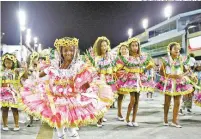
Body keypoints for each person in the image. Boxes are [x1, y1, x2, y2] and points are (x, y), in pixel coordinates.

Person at [19, 37, 114, 138]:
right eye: (65, 50)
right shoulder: (54, 65)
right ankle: (61, 135)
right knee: (59, 125)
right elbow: (40, 75)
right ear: (61, 52)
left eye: (71, 50)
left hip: (72, 99)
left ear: (75, 51)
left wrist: (89, 90)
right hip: (56, 98)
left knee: (72, 130)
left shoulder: (78, 66)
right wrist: (38, 78)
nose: (68, 53)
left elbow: (87, 80)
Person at [155, 42, 195, 128]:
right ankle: (165, 119)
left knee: (177, 102)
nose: (177, 50)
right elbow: (161, 72)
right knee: (167, 102)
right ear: (170, 50)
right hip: (169, 82)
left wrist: (189, 75)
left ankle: (174, 121)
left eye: (178, 48)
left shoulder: (182, 59)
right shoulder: (166, 60)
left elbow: (186, 70)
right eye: (175, 48)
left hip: (179, 83)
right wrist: (173, 76)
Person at [120, 38, 154, 127]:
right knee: (132, 100)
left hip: (139, 79)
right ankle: (127, 117)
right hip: (131, 80)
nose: (135, 47)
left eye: (136, 45)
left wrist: (144, 69)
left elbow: (150, 64)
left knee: (137, 100)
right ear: (130, 47)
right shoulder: (127, 57)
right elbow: (122, 66)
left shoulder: (141, 56)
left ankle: (134, 119)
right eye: (133, 45)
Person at [0, 53, 21, 131]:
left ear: (13, 63)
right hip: (4, 92)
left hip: (13, 92)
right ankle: (5, 125)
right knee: (4, 109)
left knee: (14, 109)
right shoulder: (2, 72)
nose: (7, 64)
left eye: (9, 62)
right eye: (6, 62)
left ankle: (16, 124)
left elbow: (24, 75)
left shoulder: (15, 71)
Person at [115, 42, 129, 121]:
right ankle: (119, 113)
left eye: (125, 49)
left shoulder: (130, 58)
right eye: (122, 49)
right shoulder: (118, 58)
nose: (124, 50)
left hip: (129, 79)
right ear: (120, 50)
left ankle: (128, 115)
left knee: (125, 97)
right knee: (120, 96)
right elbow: (117, 68)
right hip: (120, 78)